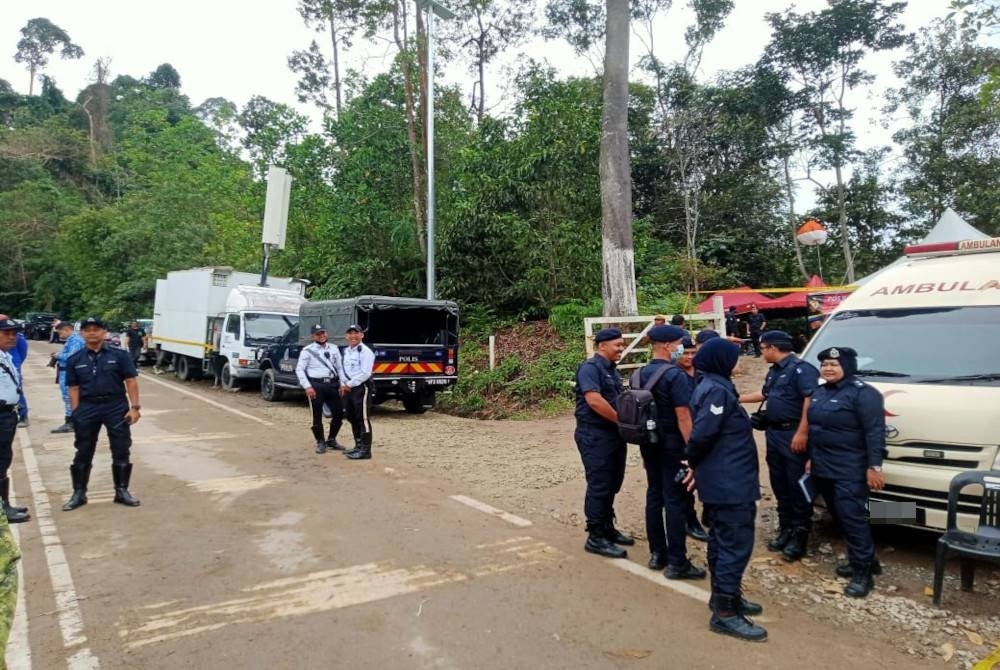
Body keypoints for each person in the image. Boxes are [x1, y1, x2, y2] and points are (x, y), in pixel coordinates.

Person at [685, 338, 765, 642]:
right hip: (729, 482)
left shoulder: (716, 384)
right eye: (735, 355)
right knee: (734, 544)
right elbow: (703, 434)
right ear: (721, 360)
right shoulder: (716, 389)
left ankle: (725, 597)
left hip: (726, 477)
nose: (740, 358)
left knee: (722, 541)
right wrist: (692, 461)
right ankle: (725, 613)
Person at [808, 346, 886, 598]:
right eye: (824, 365)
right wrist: (811, 458)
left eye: (834, 364)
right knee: (839, 516)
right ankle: (866, 559)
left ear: (848, 367)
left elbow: (874, 432)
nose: (828, 369)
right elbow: (816, 429)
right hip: (823, 466)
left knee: (853, 519)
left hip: (849, 469)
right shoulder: (819, 392)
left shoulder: (864, 394)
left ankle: (863, 573)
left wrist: (874, 467)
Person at [738, 331, 819, 562]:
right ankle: (785, 529)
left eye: (763, 348)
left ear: (773, 348)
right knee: (779, 483)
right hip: (774, 434)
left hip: (793, 434)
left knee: (796, 486)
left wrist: (803, 431)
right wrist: (737, 397)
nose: (761, 352)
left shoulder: (801, 370)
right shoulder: (775, 371)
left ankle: (799, 535)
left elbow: (809, 400)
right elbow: (765, 395)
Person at [635, 325, 706, 578]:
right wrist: (693, 452)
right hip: (673, 446)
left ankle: (657, 554)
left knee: (654, 497)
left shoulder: (638, 373)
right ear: (666, 346)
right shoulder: (675, 376)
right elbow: (684, 417)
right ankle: (678, 562)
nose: (681, 348)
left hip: (649, 444)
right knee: (674, 500)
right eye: (678, 343)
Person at [62, 317, 142, 511]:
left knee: (121, 448)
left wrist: (135, 408)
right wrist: (75, 413)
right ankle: (79, 493)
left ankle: (121, 491)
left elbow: (130, 380)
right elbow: (73, 388)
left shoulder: (120, 356)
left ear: (104, 332)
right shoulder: (75, 359)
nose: (92, 333)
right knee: (83, 450)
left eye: (96, 329)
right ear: (82, 334)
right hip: (87, 407)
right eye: (87, 329)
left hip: (115, 406)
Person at [574, 328, 633, 558]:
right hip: (595, 435)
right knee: (599, 485)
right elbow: (594, 401)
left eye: (622, 344)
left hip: (614, 435)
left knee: (612, 483)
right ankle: (596, 536)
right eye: (617, 345)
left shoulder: (612, 370)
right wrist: (621, 421)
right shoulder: (590, 368)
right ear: (602, 346)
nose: (621, 348)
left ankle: (608, 528)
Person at [676, 336, 709, 542]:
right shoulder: (673, 375)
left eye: (692, 353)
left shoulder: (704, 374)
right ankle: (690, 519)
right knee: (686, 480)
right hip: (682, 435)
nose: (689, 357)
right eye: (685, 353)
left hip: (704, 431)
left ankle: (709, 510)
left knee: (708, 473)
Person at [295, 324, 346, 454]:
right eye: (318, 334)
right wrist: (307, 386)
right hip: (316, 385)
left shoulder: (334, 348)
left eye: (323, 333)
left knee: (339, 414)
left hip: (333, 384)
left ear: (326, 333)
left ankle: (331, 439)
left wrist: (342, 383)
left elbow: (340, 368)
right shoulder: (307, 350)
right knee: (316, 415)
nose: (321, 336)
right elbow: (300, 369)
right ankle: (320, 442)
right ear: (313, 336)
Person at [0, 317, 30, 523]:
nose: (12, 337)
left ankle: (4, 505)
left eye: (14, 334)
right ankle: (3, 509)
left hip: (7, 415)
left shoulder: (5, 356)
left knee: (3, 460)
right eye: (7, 334)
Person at [340, 325, 375, 460]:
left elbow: (365, 373)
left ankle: (366, 451)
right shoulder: (347, 351)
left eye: (356, 333)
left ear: (362, 335)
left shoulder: (365, 352)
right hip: (348, 388)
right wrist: (343, 383)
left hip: (361, 388)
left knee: (363, 418)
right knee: (351, 416)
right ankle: (358, 446)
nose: (353, 336)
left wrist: (349, 384)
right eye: (350, 333)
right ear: (346, 336)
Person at [50, 322, 85, 434]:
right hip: (66, 372)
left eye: (60, 332)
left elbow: (72, 356)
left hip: (70, 372)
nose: (59, 335)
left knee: (69, 397)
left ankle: (71, 422)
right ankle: (73, 420)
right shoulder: (72, 340)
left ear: (66, 330)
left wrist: (58, 355)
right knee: (69, 397)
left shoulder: (76, 340)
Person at [10, 331, 28, 428]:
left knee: (17, 391)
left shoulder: (17, 336)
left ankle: (23, 415)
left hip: (13, 365)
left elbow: (23, 351)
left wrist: (16, 363)